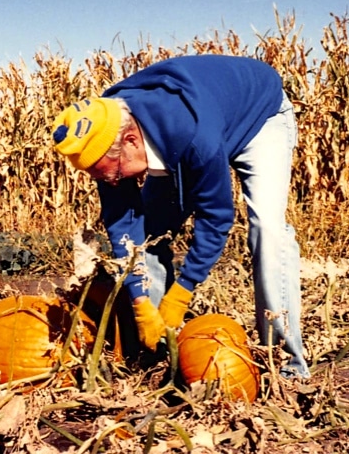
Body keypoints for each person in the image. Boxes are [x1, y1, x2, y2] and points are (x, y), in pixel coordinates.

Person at [51, 54, 310, 379]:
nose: (110, 183)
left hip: (259, 115)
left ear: (131, 141)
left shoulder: (194, 136)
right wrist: (140, 302)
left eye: (112, 175)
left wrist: (184, 289)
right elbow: (124, 227)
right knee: (150, 233)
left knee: (268, 231)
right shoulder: (104, 133)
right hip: (195, 124)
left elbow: (215, 218)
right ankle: (154, 351)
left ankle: (286, 363)